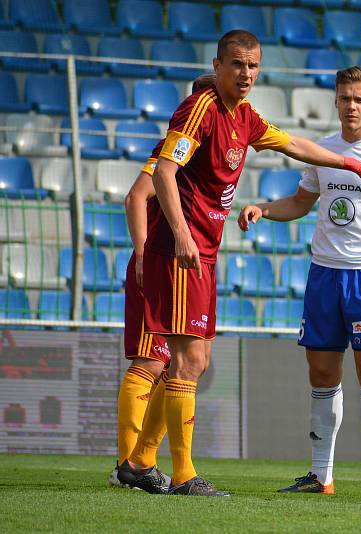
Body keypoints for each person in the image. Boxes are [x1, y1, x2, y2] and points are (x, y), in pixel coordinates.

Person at [118, 30, 361, 497]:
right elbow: (163, 172)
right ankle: (183, 475)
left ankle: (140, 461)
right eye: (236, 65)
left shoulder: (243, 118)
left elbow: (294, 145)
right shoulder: (200, 109)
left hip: (204, 253)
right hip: (180, 251)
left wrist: (352, 165)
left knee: (198, 359)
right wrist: (183, 232)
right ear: (218, 64)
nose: (245, 74)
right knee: (183, 360)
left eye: (252, 66)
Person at [238, 66, 361, 497]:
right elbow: (301, 201)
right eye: (344, 98)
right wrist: (263, 207)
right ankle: (322, 475)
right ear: (335, 101)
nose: (351, 106)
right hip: (324, 275)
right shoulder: (324, 150)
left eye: (359, 99)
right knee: (321, 371)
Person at [111, 74, 216, 491]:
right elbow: (137, 196)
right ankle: (128, 463)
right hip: (157, 265)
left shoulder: (200, 157)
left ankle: (140, 460)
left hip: (182, 267)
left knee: (178, 363)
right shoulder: (177, 148)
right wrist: (141, 252)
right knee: (151, 361)